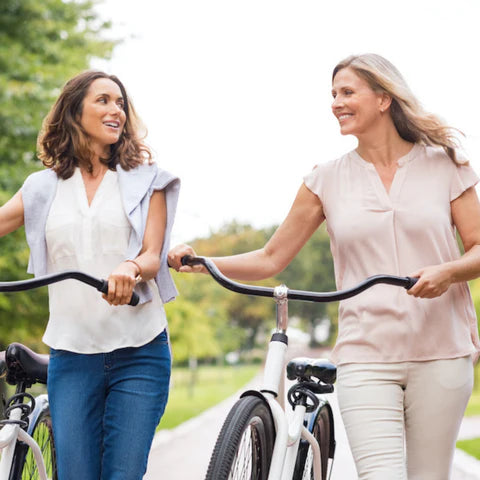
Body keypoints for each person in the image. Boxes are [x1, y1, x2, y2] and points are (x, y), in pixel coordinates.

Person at [168, 53, 480, 479]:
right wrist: (203, 263)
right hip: (366, 352)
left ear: (384, 98)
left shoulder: (445, 164)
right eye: (333, 94)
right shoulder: (325, 179)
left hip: (442, 351)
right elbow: (271, 257)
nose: (336, 102)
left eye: (347, 92)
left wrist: (447, 272)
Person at [0, 70, 180, 479]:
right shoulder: (42, 187)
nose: (116, 109)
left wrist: (130, 268)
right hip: (72, 353)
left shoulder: (146, 180)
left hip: (139, 351)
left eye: (120, 102)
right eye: (103, 100)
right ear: (73, 110)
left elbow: (153, 254)